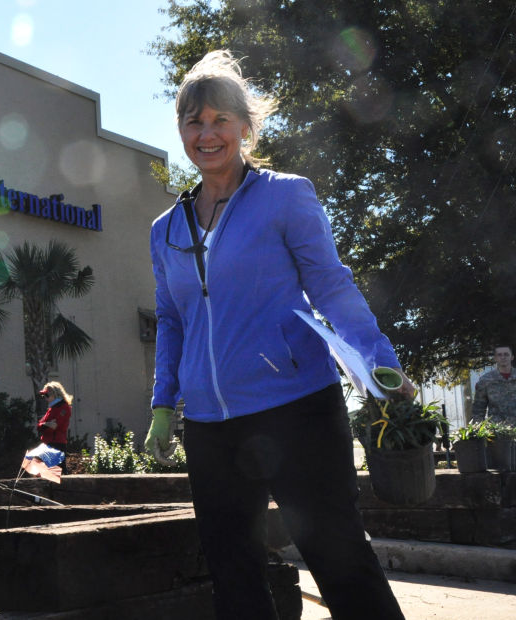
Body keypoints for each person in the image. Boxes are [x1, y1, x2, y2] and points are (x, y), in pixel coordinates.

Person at [145, 50, 413, 620]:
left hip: (297, 410)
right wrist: (163, 405)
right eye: (194, 122)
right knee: (233, 577)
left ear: (245, 125)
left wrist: (378, 359)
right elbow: (171, 319)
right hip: (212, 429)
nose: (207, 133)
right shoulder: (164, 230)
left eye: (220, 119)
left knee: (340, 562)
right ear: (181, 132)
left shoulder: (285, 196)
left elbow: (332, 287)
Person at [470, 345, 516, 424]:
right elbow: (478, 409)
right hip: (497, 430)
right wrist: (479, 430)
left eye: (506, 354)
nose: (503, 357)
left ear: (512, 357)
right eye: (499, 355)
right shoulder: (485, 380)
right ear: (495, 358)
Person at [36, 381, 73, 473]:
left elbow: (54, 426)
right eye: (44, 396)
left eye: (47, 395)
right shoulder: (52, 408)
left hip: (57, 443)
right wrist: (46, 424)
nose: (45, 398)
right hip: (48, 442)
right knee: (48, 471)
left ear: (55, 394)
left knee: (58, 471)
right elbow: (39, 426)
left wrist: (44, 424)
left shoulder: (63, 407)